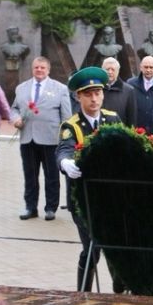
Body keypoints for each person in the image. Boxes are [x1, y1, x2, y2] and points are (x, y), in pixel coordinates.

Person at [56, 67, 122, 293]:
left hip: (111, 198)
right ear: (79, 96)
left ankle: (120, 288)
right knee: (92, 247)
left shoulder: (112, 119)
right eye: (88, 94)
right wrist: (66, 163)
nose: (94, 99)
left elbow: (127, 148)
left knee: (114, 245)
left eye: (98, 93)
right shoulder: (71, 126)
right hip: (82, 199)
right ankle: (83, 293)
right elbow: (64, 150)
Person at [9, 57, 71, 221]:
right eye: (36, 67)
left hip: (51, 139)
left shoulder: (60, 88)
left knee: (51, 176)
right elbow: (14, 108)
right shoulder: (21, 88)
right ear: (32, 69)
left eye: (43, 68)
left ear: (48, 70)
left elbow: (66, 116)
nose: (39, 70)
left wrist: (65, 139)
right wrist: (15, 119)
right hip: (27, 138)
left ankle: (51, 208)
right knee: (30, 175)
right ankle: (31, 207)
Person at [126, 55, 153, 134]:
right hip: (138, 131)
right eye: (146, 67)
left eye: (151, 67)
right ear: (140, 67)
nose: (148, 70)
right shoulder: (131, 83)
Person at [100, 57, 138, 127]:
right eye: (107, 69)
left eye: (113, 69)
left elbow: (132, 118)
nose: (110, 72)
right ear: (102, 70)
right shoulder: (98, 89)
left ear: (118, 71)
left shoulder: (129, 90)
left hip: (120, 133)